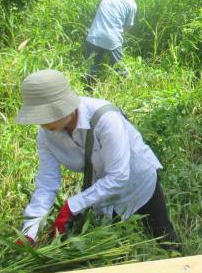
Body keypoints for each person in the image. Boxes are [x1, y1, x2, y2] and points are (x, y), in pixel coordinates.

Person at [15, 69, 180, 250]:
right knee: (117, 248)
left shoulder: (105, 119)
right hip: (103, 193)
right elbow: (47, 184)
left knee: (164, 239)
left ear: (64, 106)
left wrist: (72, 205)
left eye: (47, 116)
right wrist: (30, 231)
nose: (43, 123)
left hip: (138, 183)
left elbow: (118, 176)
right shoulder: (46, 134)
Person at [84, 0, 139, 85]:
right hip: (112, 40)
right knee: (119, 68)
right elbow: (128, 26)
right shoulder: (132, 4)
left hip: (94, 35)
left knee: (92, 67)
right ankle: (123, 88)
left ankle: (87, 88)